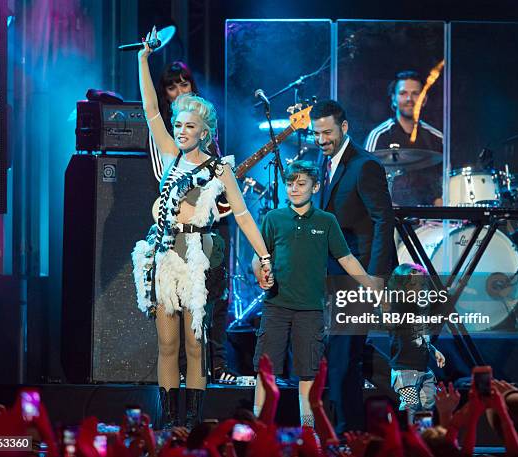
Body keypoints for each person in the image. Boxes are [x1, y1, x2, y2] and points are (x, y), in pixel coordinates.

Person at [132, 26, 272, 430]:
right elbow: (150, 111)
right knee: (167, 342)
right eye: (179, 124)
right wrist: (143, 59)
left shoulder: (218, 169)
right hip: (166, 253)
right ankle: (168, 418)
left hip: (200, 256)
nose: (181, 130)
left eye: (190, 126)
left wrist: (263, 256)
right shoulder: (171, 155)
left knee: (196, 344)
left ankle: (191, 420)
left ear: (204, 132)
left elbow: (243, 215)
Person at [251, 161, 380, 427]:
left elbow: (345, 258)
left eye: (301, 184)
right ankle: (258, 429)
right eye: (290, 184)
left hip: (311, 309)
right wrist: (260, 274)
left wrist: (369, 284)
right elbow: (258, 257)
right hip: (276, 306)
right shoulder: (273, 218)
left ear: (316, 186)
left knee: (307, 373)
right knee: (266, 371)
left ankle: (308, 431)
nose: (295, 189)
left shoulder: (326, 221)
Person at [148, 59, 235, 386]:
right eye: (172, 86)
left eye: (184, 84)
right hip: (176, 235)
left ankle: (219, 363)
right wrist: (142, 60)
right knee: (173, 322)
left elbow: (223, 186)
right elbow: (166, 179)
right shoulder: (168, 142)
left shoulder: (207, 137)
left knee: (215, 298)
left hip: (211, 228)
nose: (179, 91)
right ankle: (176, 394)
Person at [311, 99, 396, 433]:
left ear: (344, 128)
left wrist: (375, 277)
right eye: (316, 133)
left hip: (357, 275)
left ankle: (349, 434)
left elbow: (383, 221)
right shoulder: (325, 164)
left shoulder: (365, 166)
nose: (321, 139)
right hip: (332, 275)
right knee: (338, 360)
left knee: (345, 362)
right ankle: (343, 432)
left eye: (327, 132)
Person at [364, 70, 443, 206]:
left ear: (424, 100)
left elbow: (445, 181)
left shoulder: (437, 137)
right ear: (393, 99)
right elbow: (365, 182)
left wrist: (440, 207)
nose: (409, 99)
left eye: (415, 94)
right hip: (391, 217)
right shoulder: (379, 136)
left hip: (431, 219)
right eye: (403, 93)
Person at [383, 263, 445, 414]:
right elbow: (389, 323)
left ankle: (424, 435)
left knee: (428, 403)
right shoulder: (396, 306)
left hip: (423, 369)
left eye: (421, 284)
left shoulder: (419, 309)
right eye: (413, 284)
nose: (418, 288)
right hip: (405, 370)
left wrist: (434, 351)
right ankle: (407, 434)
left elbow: (422, 337)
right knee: (410, 406)